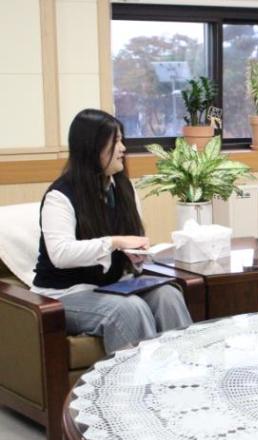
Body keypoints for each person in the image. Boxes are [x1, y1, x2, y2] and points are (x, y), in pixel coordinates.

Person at [31, 109, 192, 353]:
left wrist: (136, 256)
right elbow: (60, 254)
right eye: (115, 141)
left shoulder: (124, 187)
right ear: (92, 147)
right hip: (65, 294)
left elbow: (129, 240)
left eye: (121, 140)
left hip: (114, 285)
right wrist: (114, 242)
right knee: (129, 309)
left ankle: (185, 369)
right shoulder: (60, 196)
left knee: (168, 296)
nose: (123, 148)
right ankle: (138, 378)